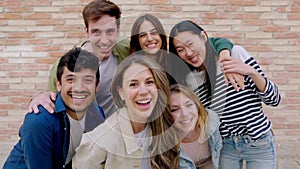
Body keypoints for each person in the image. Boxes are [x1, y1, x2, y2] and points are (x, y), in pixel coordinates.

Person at [169, 20, 281, 169]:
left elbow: (274, 99)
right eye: (180, 49)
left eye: (190, 44)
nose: (188, 53)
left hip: (258, 142)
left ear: (203, 37)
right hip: (225, 147)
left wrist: (251, 72)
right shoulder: (191, 79)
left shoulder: (235, 54)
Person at [3, 47, 105, 169]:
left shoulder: (97, 114)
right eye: (71, 79)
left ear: (97, 85)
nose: (79, 88)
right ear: (58, 84)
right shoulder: (39, 121)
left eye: (88, 80)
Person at [72, 54, 179, 169]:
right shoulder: (100, 142)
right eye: (133, 84)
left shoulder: (165, 125)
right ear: (121, 92)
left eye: (149, 82)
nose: (143, 91)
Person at [29, 0, 129, 118]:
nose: (104, 40)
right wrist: (38, 96)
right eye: (96, 32)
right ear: (86, 31)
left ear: (118, 30)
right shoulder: (65, 65)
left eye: (110, 31)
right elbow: (51, 99)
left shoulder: (126, 50)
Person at [129, 14, 244, 89]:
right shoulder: (134, 66)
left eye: (154, 32)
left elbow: (213, 42)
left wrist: (224, 55)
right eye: (142, 35)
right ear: (137, 41)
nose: (150, 38)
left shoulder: (174, 60)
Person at [170, 84, 222, 169]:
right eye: (175, 109)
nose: (185, 114)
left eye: (189, 105)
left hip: (210, 162)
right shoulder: (166, 139)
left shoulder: (211, 122)